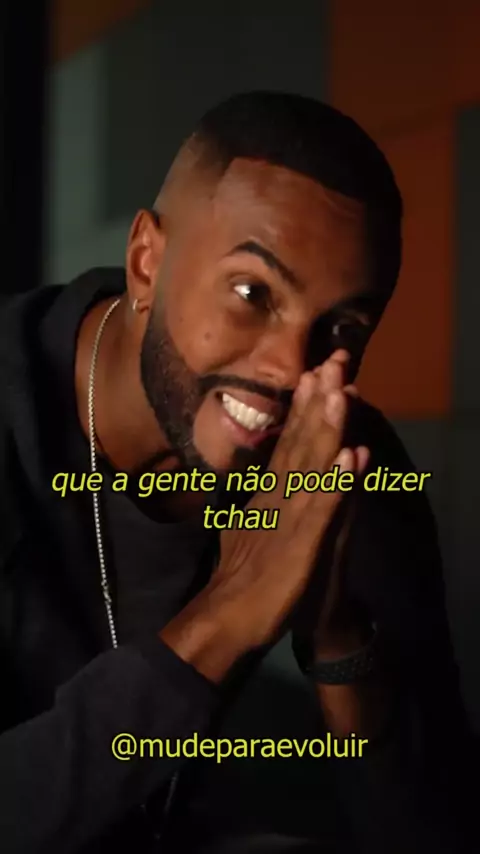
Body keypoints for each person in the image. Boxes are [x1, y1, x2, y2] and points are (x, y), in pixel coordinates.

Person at [0, 91, 474, 854]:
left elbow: (434, 831)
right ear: (146, 262)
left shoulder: (334, 458)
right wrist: (230, 612)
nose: (290, 368)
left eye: (342, 328)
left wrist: (336, 630)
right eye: (253, 293)